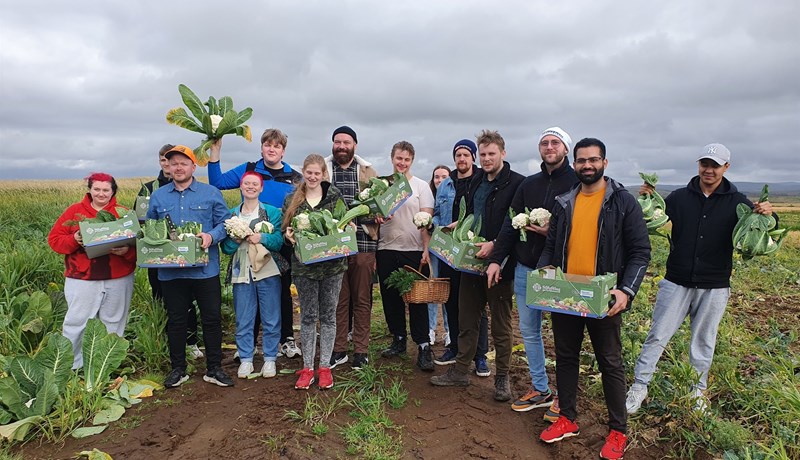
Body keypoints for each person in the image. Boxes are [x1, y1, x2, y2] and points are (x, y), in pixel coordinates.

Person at [626, 143, 775, 415]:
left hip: (715, 285)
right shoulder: (679, 198)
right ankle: (639, 386)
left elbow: (763, 228)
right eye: (705, 164)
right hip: (676, 281)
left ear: (726, 168)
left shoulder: (739, 203)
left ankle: (697, 391)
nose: (709, 169)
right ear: (699, 165)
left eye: (715, 165)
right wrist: (647, 199)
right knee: (658, 335)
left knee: (704, 340)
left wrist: (769, 214)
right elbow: (650, 218)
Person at [536, 138, 651, 460]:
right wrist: (544, 272)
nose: (587, 165)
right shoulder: (564, 202)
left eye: (593, 160)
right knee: (566, 357)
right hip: (567, 294)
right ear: (574, 165)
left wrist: (626, 290)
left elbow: (641, 251)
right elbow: (552, 246)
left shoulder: (622, 202)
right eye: (582, 160)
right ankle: (568, 418)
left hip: (603, 297)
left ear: (604, 162)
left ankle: (618, 430)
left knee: (610, 362)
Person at [487, 127, 578, 420]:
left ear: (566, 148)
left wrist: (556, 230)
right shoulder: (529, 184)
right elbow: (509, 225)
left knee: (565, 336)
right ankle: (541, 388)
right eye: (544, 143)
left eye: (555, 142)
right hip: (527, 268)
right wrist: (496, 260)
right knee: (529, 331)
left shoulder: (578, 182)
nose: (549, 147)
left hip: (562, 272)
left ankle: (565, 399)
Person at [430, 130, 524, 402]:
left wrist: (495, 247)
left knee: (501, 324)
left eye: (491, 154)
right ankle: (460, 371)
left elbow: (513, 224)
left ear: (503, 154)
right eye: (482, 154)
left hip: (500, 264)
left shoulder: (517, 183)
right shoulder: (476, 180)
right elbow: (472, 212)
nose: (486, 159)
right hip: (471, 261)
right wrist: (458, 225)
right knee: (467, 316)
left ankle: (502, 378)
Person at [207, 129, 302, 360]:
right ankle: (249, 344)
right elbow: (217, 181)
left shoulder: (294, 177)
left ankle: (286, 339)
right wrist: (215, 151)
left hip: (280, 241)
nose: (272, 149)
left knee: (281, 290)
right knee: (252, 289)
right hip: (249, 240)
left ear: (283, 151)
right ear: (262, 148)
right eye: (268, 145)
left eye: (277, 146)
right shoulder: (249, 170)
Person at [147, 145, 234, 388]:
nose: (178, 167)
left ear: (193, 167)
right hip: (171, 272)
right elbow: (151, 229)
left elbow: (225, 223)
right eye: (173, 163)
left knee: (212, 318)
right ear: (168, 166)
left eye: (183, 163)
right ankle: (178, 369)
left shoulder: (210, 193)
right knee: (176, 320)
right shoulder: (159, 196)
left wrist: (211, 236)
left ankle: (214, 368)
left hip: (204, 270)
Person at [48, 173, 137, 369]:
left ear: (113, 191)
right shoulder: (74, 212)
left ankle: (106, 366)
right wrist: (75, 239)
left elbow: (139, 247)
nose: (101, 194)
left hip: (118, 277)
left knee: (113, 321)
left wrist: (127, 251)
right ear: (90, 189)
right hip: (82, 277)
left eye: (106, 190)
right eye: (97, 189)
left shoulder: (123, 213)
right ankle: (70, 365)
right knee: (77, 321)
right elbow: (54, 241)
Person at [282, 154, 348, 390]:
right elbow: (284, 231)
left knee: (329, 317)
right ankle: (307, 367)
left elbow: (345, 224)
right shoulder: (292, 199)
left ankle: (325, 368)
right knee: (308, 317)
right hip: (304, 268)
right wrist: (288, 236)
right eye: (308, 173)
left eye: (316, 173)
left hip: (333, 267)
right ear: (303, 172)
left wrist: (348, 229)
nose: (312, 177)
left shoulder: (334, 196)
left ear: (323, 174)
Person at [137, 143, 203, 360]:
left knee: (189, 299)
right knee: (161, 296)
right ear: (161, 162)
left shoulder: (192, 187)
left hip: (185, 254)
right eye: (165, 161)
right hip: (159, 256)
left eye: (175, 162)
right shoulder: (149, 188)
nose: (170, 165)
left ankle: (192, 341)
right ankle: (166, 340)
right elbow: (141, 220)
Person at [430, 141, 490, 376]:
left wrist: (460, 227)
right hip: (448, 251)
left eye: (466, 154)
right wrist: (438, 227)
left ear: (473, 157)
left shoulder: (481, 182)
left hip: (472, 250)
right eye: (458, 155)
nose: (461, 159)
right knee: (451, 300)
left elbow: (481, 214)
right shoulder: (446, 183)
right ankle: (454, 347)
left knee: (476, 306)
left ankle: (480, 356)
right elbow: (436, 213)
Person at [376, 141, 436, 371]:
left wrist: (426, 250)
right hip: (387, 248)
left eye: (407, 159)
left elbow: (426, 221)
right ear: (392, 158)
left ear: (412, 161)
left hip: (413, 250)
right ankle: (398, 338)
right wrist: (378, 217)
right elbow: (373, 215)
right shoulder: (382, 185)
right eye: (399, 158)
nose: (402, 163)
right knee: (390, 297)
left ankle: (423, 345)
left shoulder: (420, 187)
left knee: (417, 299)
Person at [325, 126, 380, 370]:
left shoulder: (368, 171)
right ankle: (339, 350)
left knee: (361, 299)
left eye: (346, 142)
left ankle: (361, 350)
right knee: (338, 299)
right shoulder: (325, 170)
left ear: (355, 145)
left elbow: (379, 205)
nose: (341, 146)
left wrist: (375, 217)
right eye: (337, 142)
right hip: (334, 245)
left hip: (364, 243)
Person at [221, 172, 285, 379]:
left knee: (271, 316)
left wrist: (262, 237)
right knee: (244, 317)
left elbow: (279, 242)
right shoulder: (232, 215)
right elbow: (226, 248)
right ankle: (246, 359)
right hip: (241, 270)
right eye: (246, 183)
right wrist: (236, 240)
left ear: (261, 188)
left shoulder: (272, 212)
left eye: (254, 184)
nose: (250, 187)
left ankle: (270, 358)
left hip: (267, 269)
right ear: (241, 187)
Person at [427, 164, 451, 346]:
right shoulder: (430, 195)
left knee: (448, 288)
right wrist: (431, 223)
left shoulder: (453, 194)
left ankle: (449, 331)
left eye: (444, 176)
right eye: (437, 176)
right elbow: (435, 215)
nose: (440, 180)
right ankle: (430, 329)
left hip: (450, 245)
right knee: (433, 287)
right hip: (434, 246)